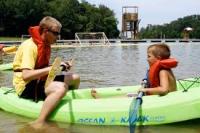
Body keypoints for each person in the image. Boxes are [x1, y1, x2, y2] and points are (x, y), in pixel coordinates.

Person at [12, 16, 80, 128]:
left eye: (58, 33)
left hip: (40, 80)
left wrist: (62, 66)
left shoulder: (45, 44)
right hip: (26, 86)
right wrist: (51, 68)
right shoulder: (30, 47)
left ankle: (60, 100)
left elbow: (41, 67)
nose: (58, 37)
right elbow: (26, 76)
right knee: (61, 87)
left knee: (75, 77)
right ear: (45, 31)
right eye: (55, 33)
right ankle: (39, 121)